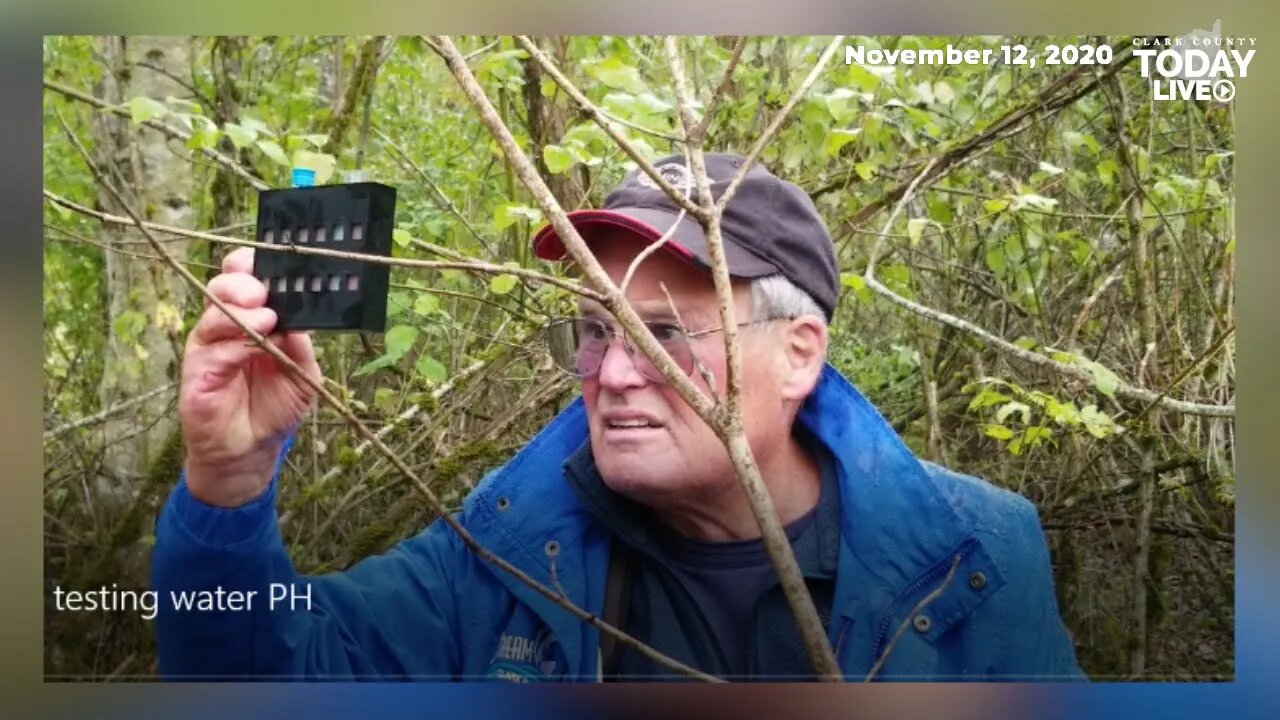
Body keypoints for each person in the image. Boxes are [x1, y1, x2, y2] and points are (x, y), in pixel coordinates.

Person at [152, 152, 1083, 682]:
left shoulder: (975, 560)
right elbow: (266, 676)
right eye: (598, 329)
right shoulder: (510, 546)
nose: (616, 373)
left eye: (663, 332)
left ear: (798, 353)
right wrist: (228, 485)